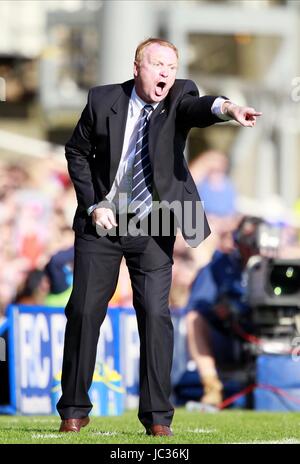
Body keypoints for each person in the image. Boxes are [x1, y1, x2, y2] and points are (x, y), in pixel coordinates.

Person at [57, 38, 261, 436]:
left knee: (154, 312)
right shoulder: (102, 100)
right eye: (158, 64)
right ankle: (74, 410)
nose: (166, 73)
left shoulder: (179, 95)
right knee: (84, 311)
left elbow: (201, 108)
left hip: (154, 224)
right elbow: (76, 152)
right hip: (104, 220)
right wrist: (93, 203)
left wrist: (229, 109)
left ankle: (157, 419)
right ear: (138, 67)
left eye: (171, 65)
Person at [186, 216, 262, 407]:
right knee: (195, 319)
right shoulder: (220, 265)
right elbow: (198, 303)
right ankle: (211, 385)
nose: (251, 247)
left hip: (271, 332)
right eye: (247, 240)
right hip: (230, 334)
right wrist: (220, 309)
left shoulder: (279, 268)